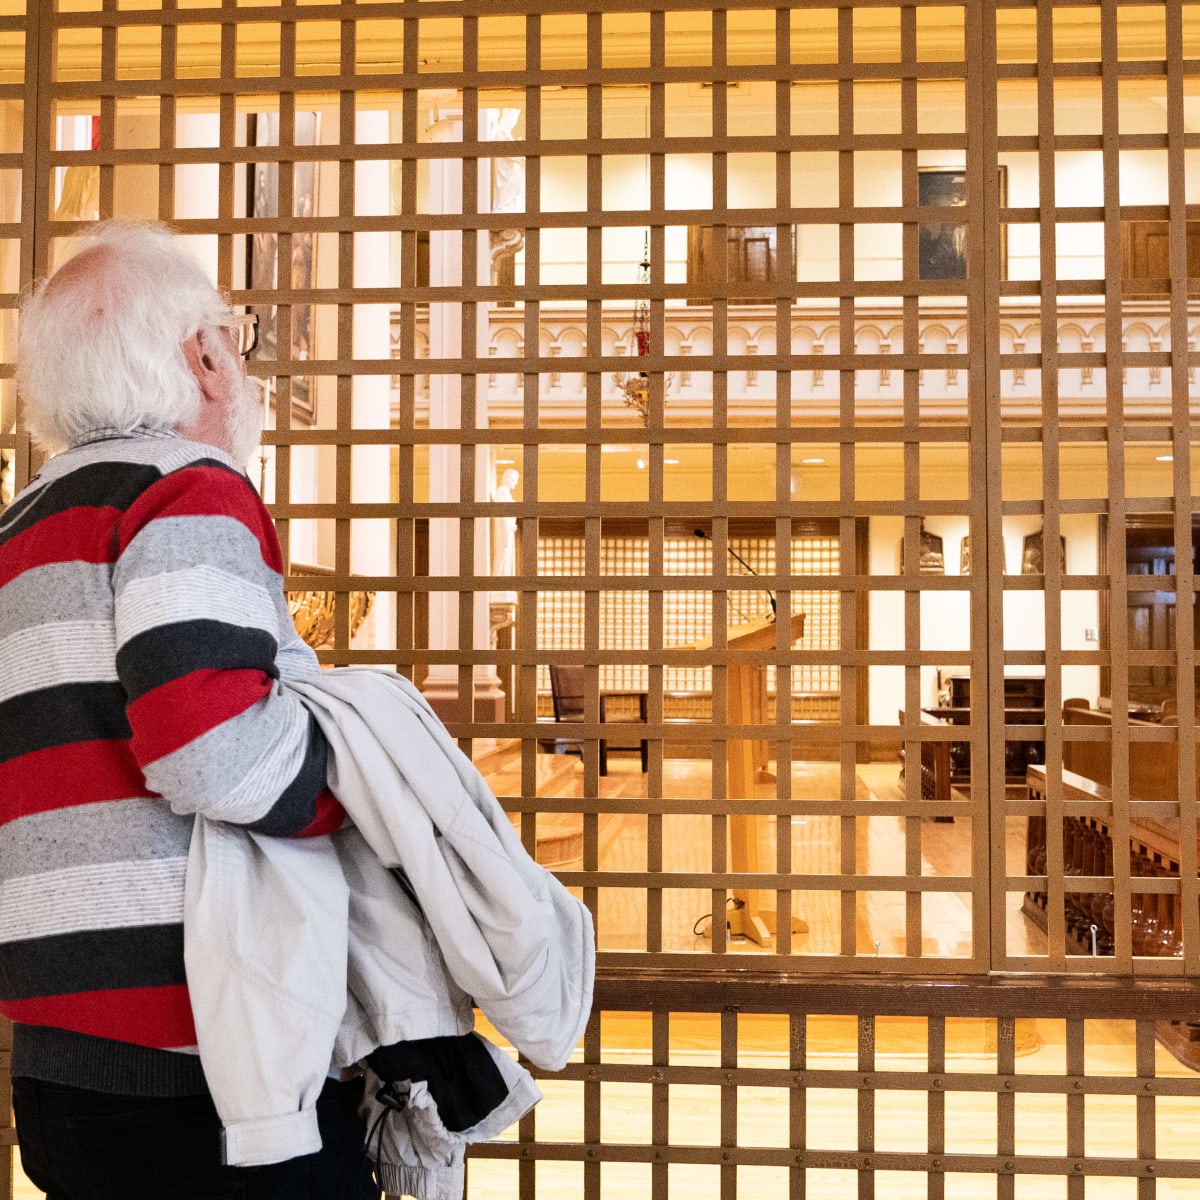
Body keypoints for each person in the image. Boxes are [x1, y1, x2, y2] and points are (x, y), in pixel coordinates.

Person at [0, 220, 377, 1199]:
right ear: (206, 356)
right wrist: (367, 795)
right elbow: (211, 754)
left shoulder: (20, 531)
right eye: (232, 338)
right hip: (208, 1058)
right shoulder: (187, 493)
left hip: (55, 1058)